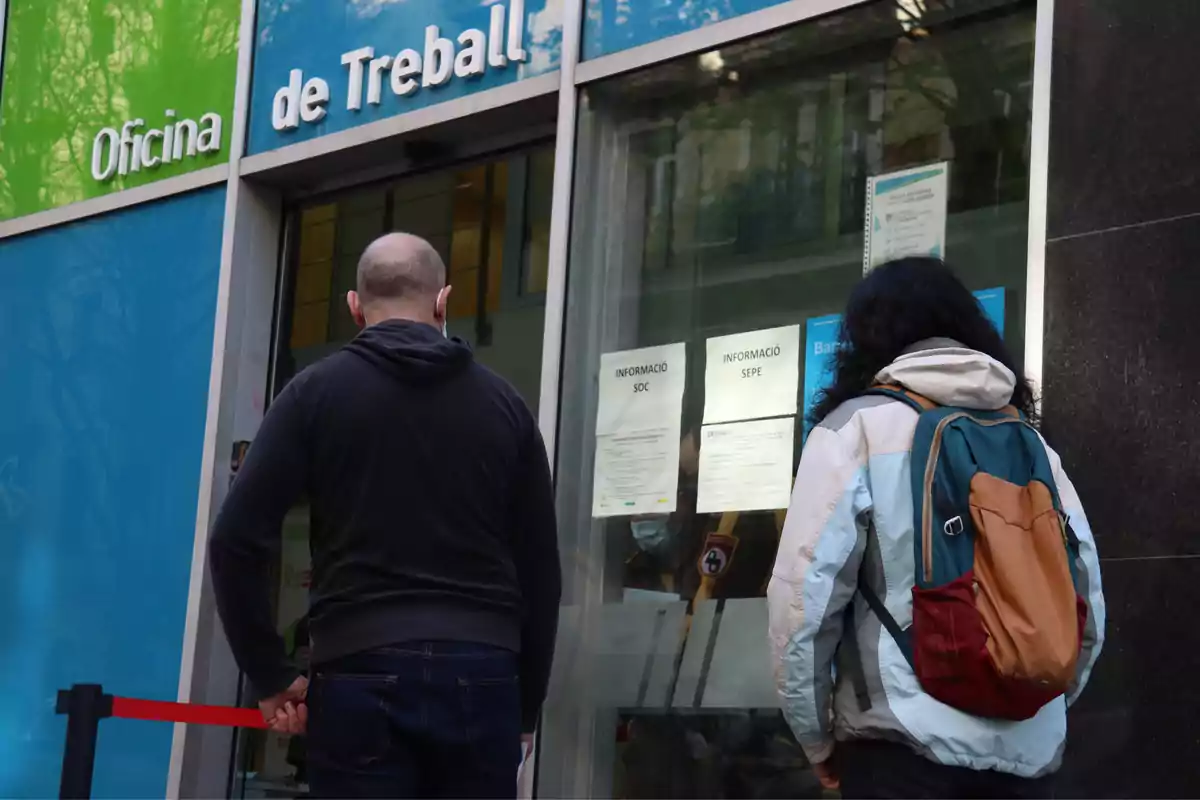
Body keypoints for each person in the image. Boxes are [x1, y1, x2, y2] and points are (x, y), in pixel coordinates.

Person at [208, 232, 562, 799]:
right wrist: (524, 709)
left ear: (354, 305)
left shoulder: (312, 395)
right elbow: (541, 572)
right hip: (483, 670)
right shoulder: (506, 407)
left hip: (357, 667)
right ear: (444, 301)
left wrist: (271, 675)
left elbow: (235, 540)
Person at [767, 257, 1105, 799]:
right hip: (1027, 764)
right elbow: (1085, 598)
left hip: (902, 754)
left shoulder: (856, 430)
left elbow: (803, 606)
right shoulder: (1033, 446)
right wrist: (1040, 703)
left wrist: (815, 739)